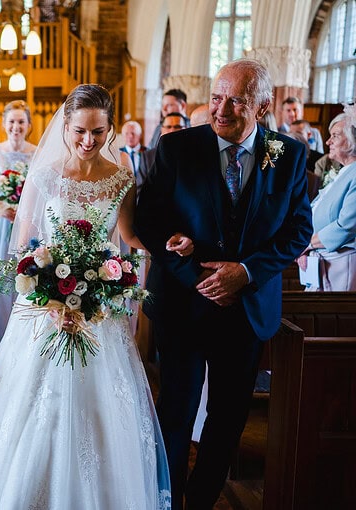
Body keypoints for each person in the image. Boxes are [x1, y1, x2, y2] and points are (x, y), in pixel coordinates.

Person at [0, 84, 172, 509]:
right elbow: (22, 246)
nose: (89, 141)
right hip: (44, 310)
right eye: (80, 131)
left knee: (103, 410)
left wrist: (165, 247)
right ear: (65, 126)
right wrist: (50, 296)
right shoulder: (45, 173)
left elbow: (127, 236)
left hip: (100, 310)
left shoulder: (121, 175)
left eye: (98, 131)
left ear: (109, 127)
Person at [135, 59, 312, 510]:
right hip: (183, 305)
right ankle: (170, 501)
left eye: (236, 100)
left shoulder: (288, 155)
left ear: (263, 105)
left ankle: (202, 500)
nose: (221, 109)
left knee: (228, 420)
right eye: (216, 97)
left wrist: (246, 272)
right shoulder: (176, 149)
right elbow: (150, 222)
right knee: (176, 415)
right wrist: (196, 276)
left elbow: (297, 230)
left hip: (247, 310)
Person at [0, 99, 37, 376]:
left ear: (28, 125)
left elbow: (38, 190)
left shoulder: (36, 153)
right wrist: (2, 206)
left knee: (24, 282)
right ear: (4, 124)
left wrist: (22, 210)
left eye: (21, 121)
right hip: (1, 222)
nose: (16, 126)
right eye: (11, 121)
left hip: (26, 225)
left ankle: (21, 355)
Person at [297, 109, 356, 291]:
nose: (328, 141)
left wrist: (306, 245)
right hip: (322, 264)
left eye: (335, 136)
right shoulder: (345, 172)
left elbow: (347, 225)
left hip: (341, 266)